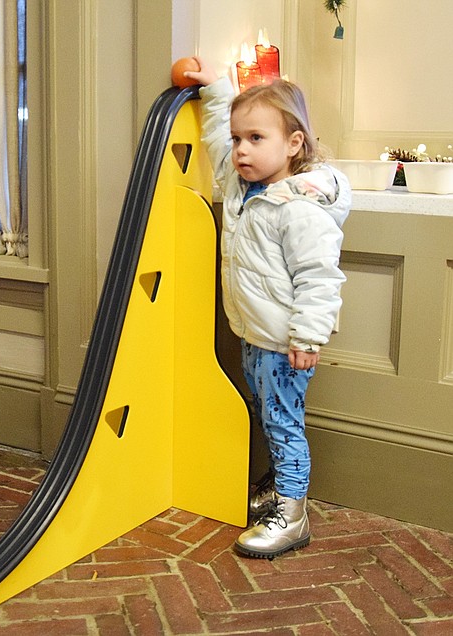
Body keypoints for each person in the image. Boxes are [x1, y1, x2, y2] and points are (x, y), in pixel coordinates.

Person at [184, 58, 351, 559]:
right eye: (239, 139)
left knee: (282, 423)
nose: (240, 149)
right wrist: (217, 88)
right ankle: (279, 489)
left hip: (284, 342)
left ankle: (293, 514)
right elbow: (216, 136)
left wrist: (307, 337)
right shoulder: (240, 187)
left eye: (255, 138)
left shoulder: (300, 207)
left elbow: (319, 278)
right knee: (263, 413)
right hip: (253, 335)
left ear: (294, 143)